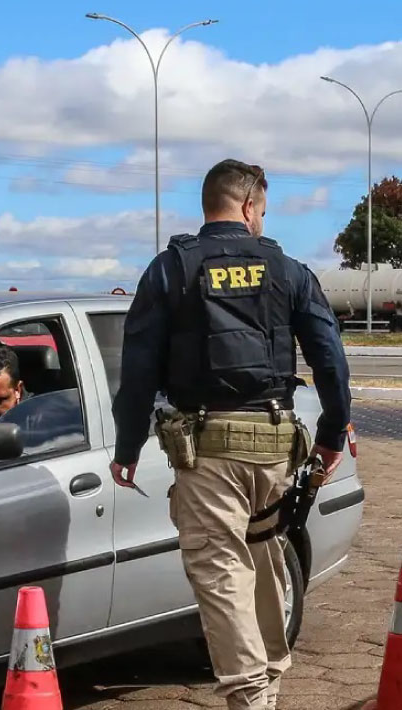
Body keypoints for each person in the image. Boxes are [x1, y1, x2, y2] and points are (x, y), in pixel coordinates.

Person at [110, 159, 351, 710]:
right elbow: (331, 360)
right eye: (262, 211)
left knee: (221, 573)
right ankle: (268, 684)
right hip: (275, 446)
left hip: (208, 451)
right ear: (247, 207)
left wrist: (127, 446)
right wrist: (331, 434)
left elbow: (138, 370)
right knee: (264, 562)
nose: (261, 221)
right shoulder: (288, 271)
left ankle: (249, 698)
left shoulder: (171, 269)